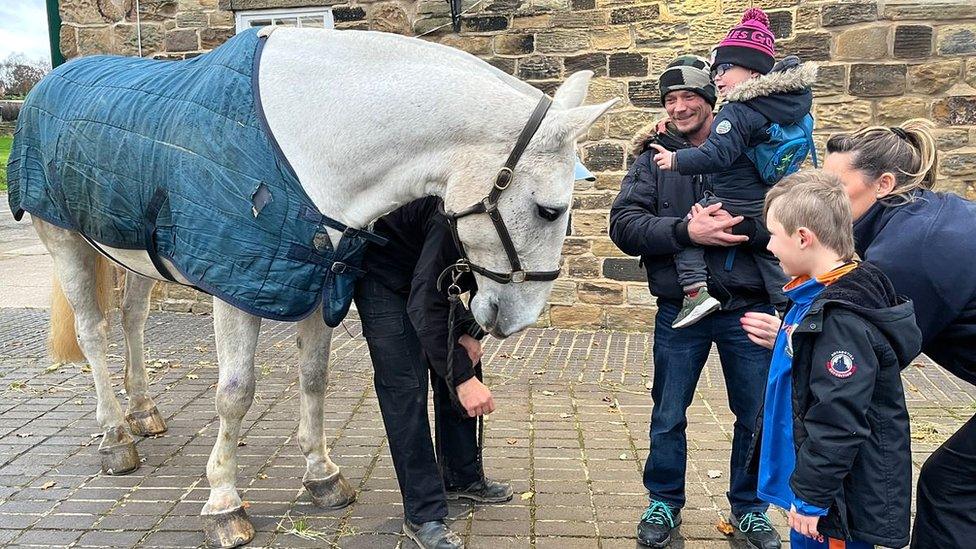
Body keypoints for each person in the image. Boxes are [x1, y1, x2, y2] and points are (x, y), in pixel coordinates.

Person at [740, 120, 976, 548]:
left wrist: (801, 336)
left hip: (835, 509)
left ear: (883, 184)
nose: (823, 196)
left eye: (836, 186)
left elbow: (858, 378)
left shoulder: (902, 255)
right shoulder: (915, 220)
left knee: (950, 489)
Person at [609, 54, 781, 549]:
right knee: (668, 412)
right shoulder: (653, 158)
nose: (680, 106)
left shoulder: (756, 148)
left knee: (754, 414)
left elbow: (789, 219)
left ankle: (749, 509)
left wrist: (741, 230)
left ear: (711, 102)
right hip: (679, 309)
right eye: (671, 99)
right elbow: (623, 225)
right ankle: (663, 500)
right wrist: (687, 230)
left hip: (749, 308)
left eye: (690, 97)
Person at [756, 170, 921, 549]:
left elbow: (839, 417)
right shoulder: (814, 297)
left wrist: (812, 497)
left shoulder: (841, 318)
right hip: (816, 487)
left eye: (773, 235)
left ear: (802, 238)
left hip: (833, 504)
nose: (768, 247)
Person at [355, 197, 512, 549]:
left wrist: (470, 332)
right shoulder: (453, 213)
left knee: (462, 361)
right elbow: (424, 304)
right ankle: (423, 514)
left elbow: (485, 283)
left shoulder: (509, 224)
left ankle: (460, 476)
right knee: (406, 387)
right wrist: (462, 380)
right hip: (385, 279)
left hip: (431, 281)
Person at [649, 8, 816, 329]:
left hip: (734, 202)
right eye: (716, 72)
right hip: (766, 200)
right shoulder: (783, 107)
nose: (719, 77)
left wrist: (675, 160)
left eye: (725, 69)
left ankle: (696, 294)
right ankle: (789, 307)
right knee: (771, 252)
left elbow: (717, 155)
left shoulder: (738, 112)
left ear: (754, 72)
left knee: (692, 229)